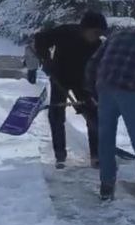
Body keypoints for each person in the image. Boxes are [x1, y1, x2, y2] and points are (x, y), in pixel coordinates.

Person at [86, 20, 135, 206]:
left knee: (105, 139)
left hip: (105, 86)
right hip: (131, 87)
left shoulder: (116, 35)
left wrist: (94, 91)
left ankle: (106, 186)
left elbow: (92, 63)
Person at [32, 11, 108, 168]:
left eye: (100, 33)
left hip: (83, 82)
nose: (97, 36)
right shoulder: (65, 32)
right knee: (56, 115)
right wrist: (46, 59)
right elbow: (40, 39)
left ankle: (96, 156)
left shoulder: (98, 45)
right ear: (84, 29)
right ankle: (60, 155)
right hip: (60, 77)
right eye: (95, 32)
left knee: (93, 114)